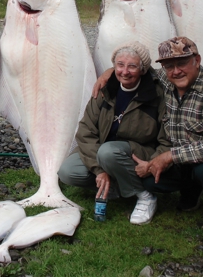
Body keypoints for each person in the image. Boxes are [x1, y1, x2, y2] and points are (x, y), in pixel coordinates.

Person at [94, 36, 203, 239]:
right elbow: (138, 69)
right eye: (169, 66)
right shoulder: (166, 80)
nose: (176, 71)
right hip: (189, 152)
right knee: (151, 182)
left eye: (182, 63)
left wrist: (167, 157)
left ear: (197, 61)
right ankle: (192, 188)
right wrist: (110, 72)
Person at [58, 41, 171, 225]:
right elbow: (85, 131)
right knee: (68, 171)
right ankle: (115, 185)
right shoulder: (105, 90)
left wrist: (155, 161)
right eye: (120, 65)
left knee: (109, 152)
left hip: (139, 152)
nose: (124, 71)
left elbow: (166, 138)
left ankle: (144, 196)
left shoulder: (157, 94)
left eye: (132, 66)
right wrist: (100, 170)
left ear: (143, 69)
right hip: (104, 152)